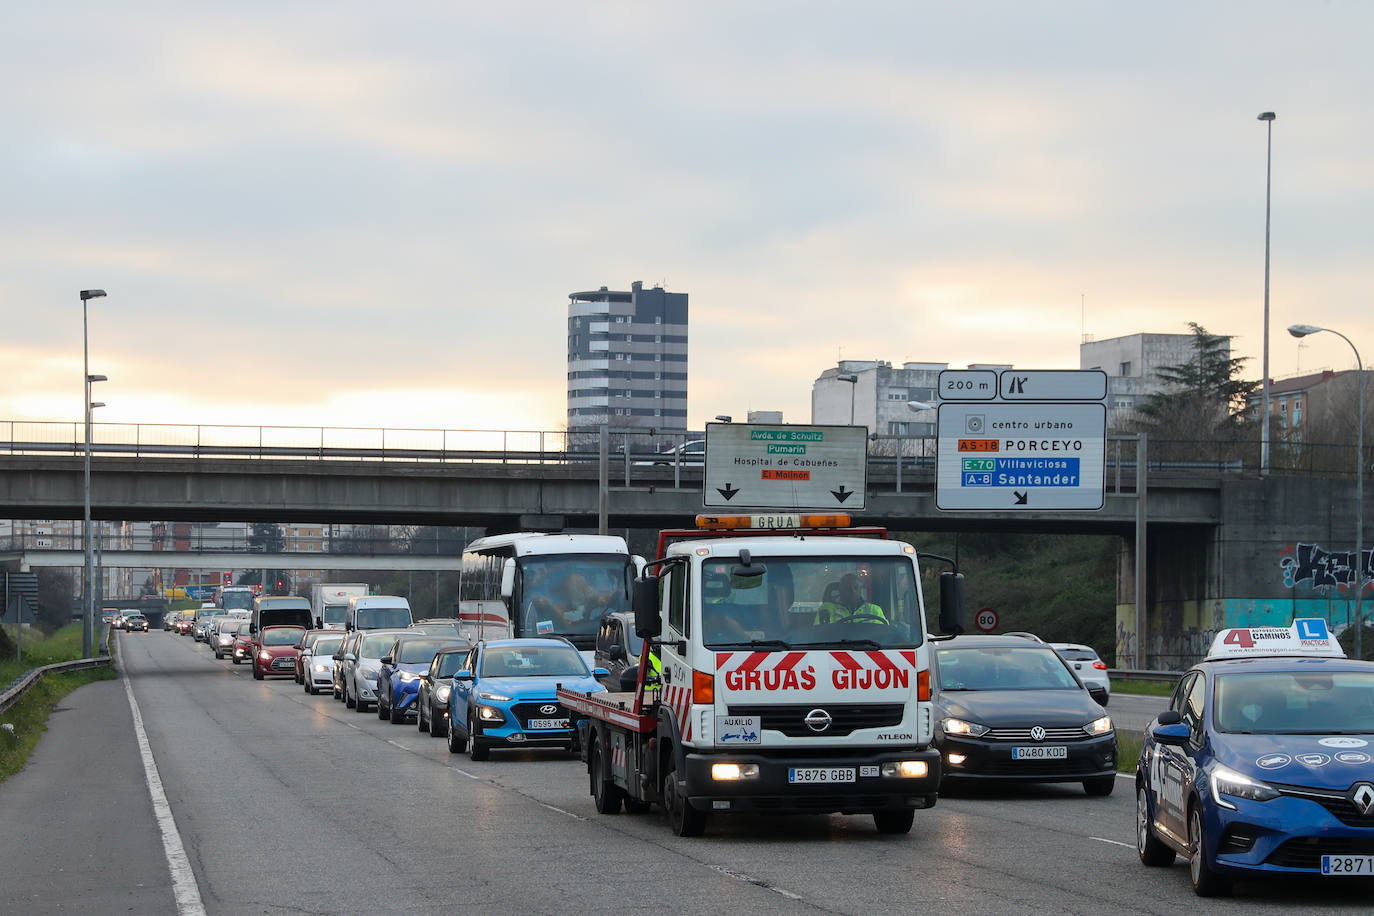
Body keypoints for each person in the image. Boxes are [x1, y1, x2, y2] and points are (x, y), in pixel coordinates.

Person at [814, 573, 887, 625]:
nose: (853, 591)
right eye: (847, 588)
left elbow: (883, 634)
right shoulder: (827, 608)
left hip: (869, 646)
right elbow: (820, 633)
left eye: (856, 588)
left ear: (860, 589)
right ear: (840, 590)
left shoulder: (875, 610)